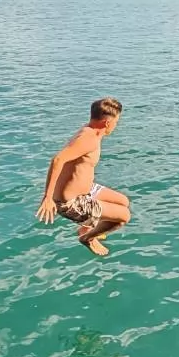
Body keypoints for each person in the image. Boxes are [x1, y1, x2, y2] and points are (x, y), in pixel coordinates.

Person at [36, 97, 130, 256]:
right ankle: (87, 238)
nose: (116, 126)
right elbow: (58, 159)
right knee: (123, 217)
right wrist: (48, 197)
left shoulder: (88, 130)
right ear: (107, 123)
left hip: (85, 190)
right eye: (116, 122)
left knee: (123, 201)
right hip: (70, 202)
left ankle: (86, 226)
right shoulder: (89, 139)